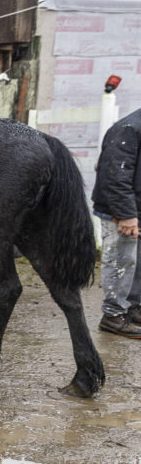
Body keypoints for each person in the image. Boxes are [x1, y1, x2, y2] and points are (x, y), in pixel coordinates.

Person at [92, 106, 141, 338]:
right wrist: (126, 215)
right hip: (120, 212)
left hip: (135, 209)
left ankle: (132, 308)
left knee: (135, 263)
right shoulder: (129, 129)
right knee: (121, 261)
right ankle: (113, 316)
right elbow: (115, 174)